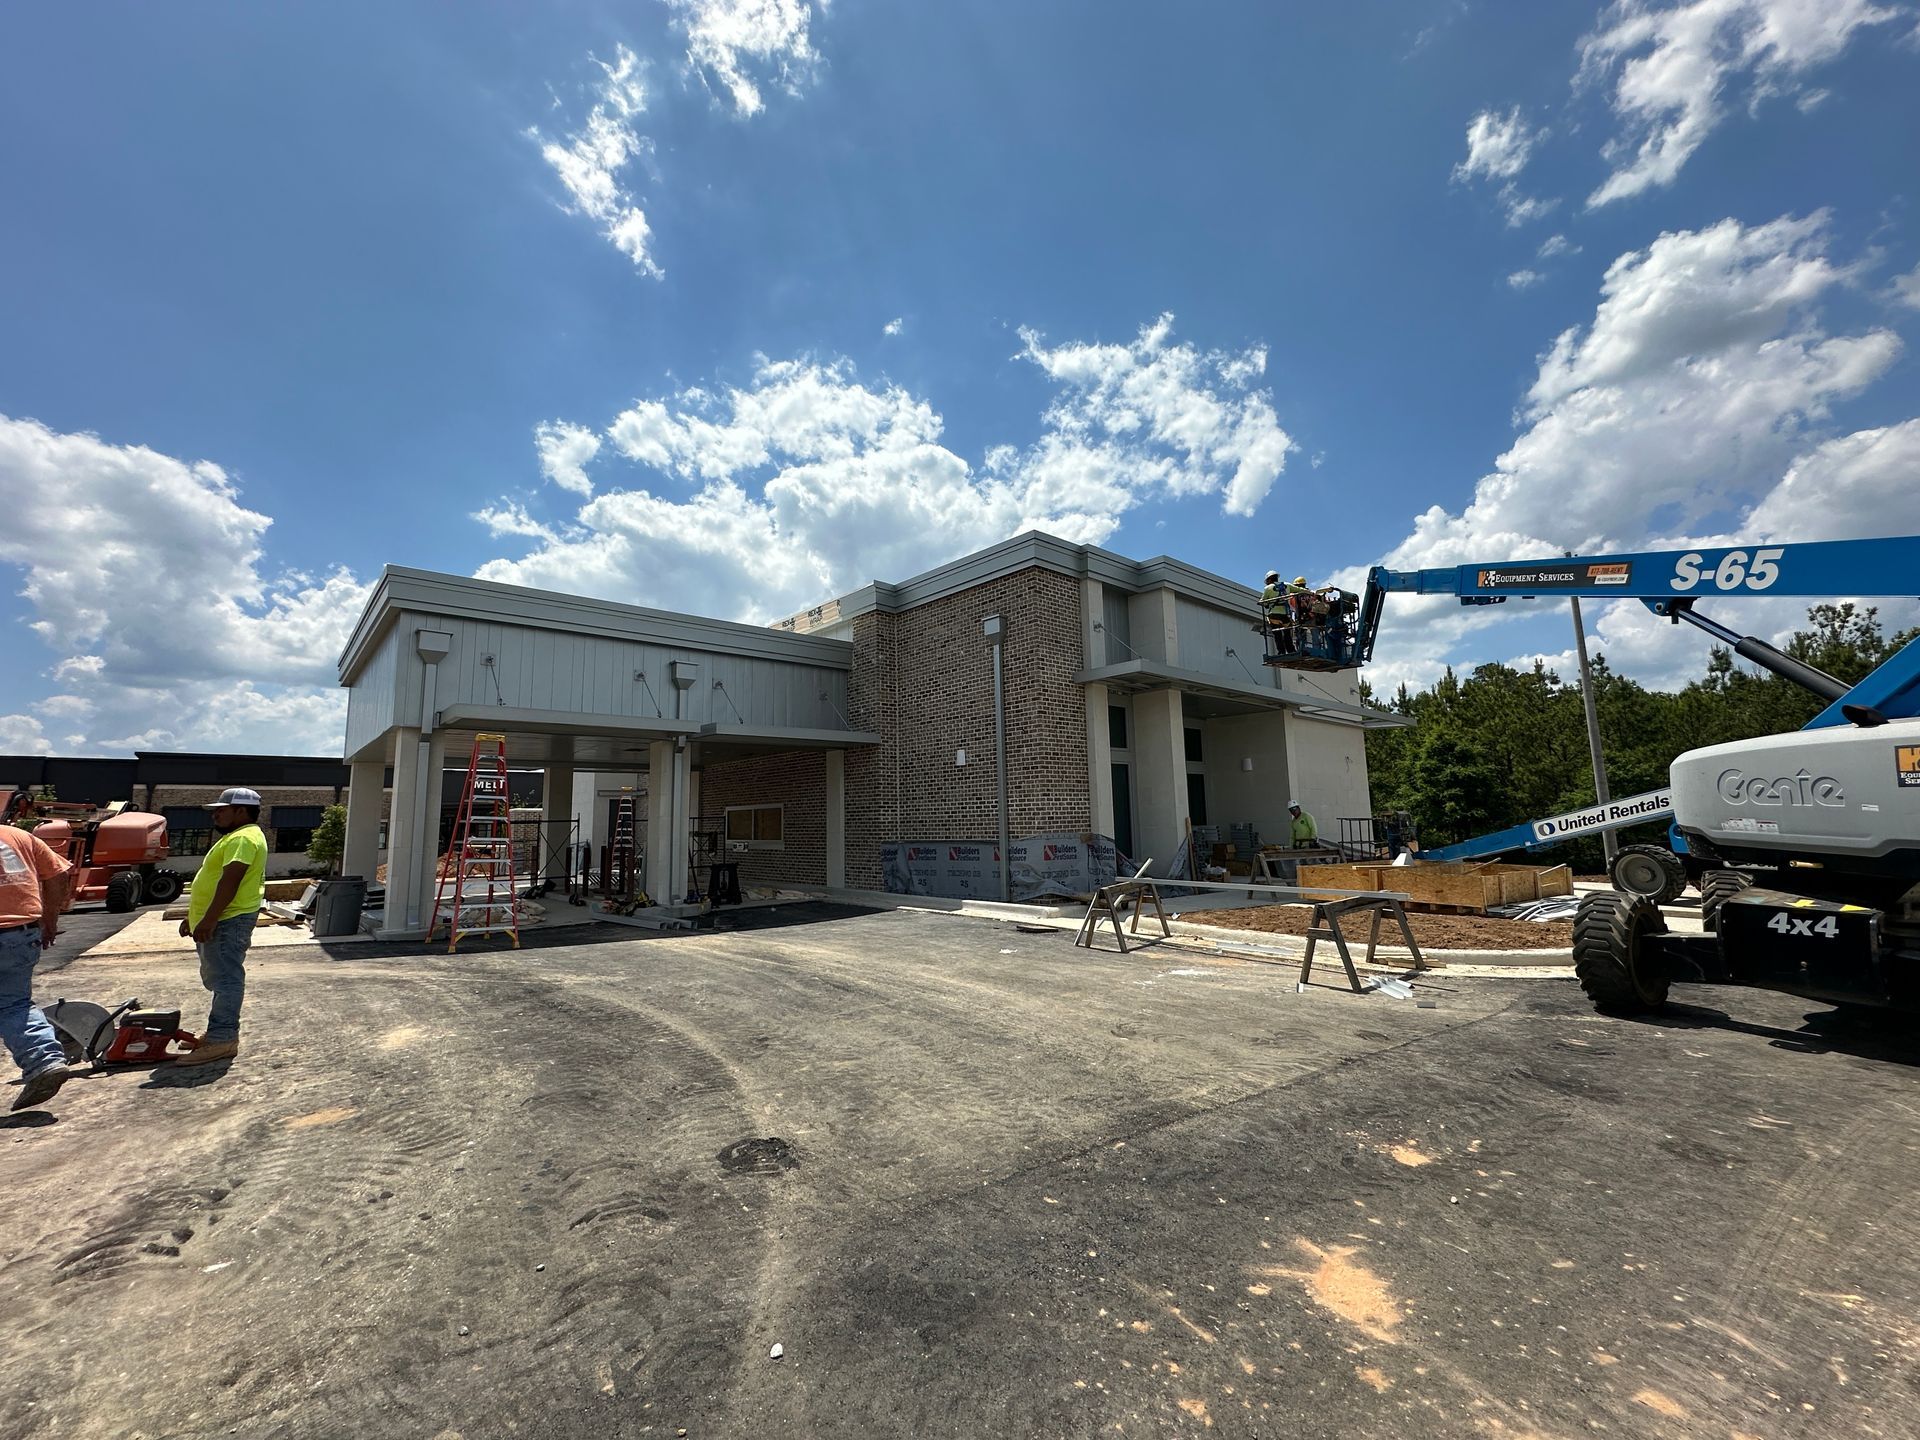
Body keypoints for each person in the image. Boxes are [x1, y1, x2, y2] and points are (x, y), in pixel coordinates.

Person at [175, 788, 269, 1066]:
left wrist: (210, 918)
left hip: (229, 919)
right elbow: (216, 880)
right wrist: (194, 917)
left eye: (221, 809)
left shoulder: (243, 837)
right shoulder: (237, 837)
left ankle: (222, 1038)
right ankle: (219, 1033)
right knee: (220, 978)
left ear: (241, 811)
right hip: (223, 917)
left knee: (227, 979)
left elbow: (231, 881)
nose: (215, 814)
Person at [2, 819, 78, 1111]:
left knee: (10, 1005)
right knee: (15, 1004)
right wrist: (51, 919)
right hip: (22, 933)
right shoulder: (20, 837)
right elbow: (58, 874)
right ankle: (44, 1061)